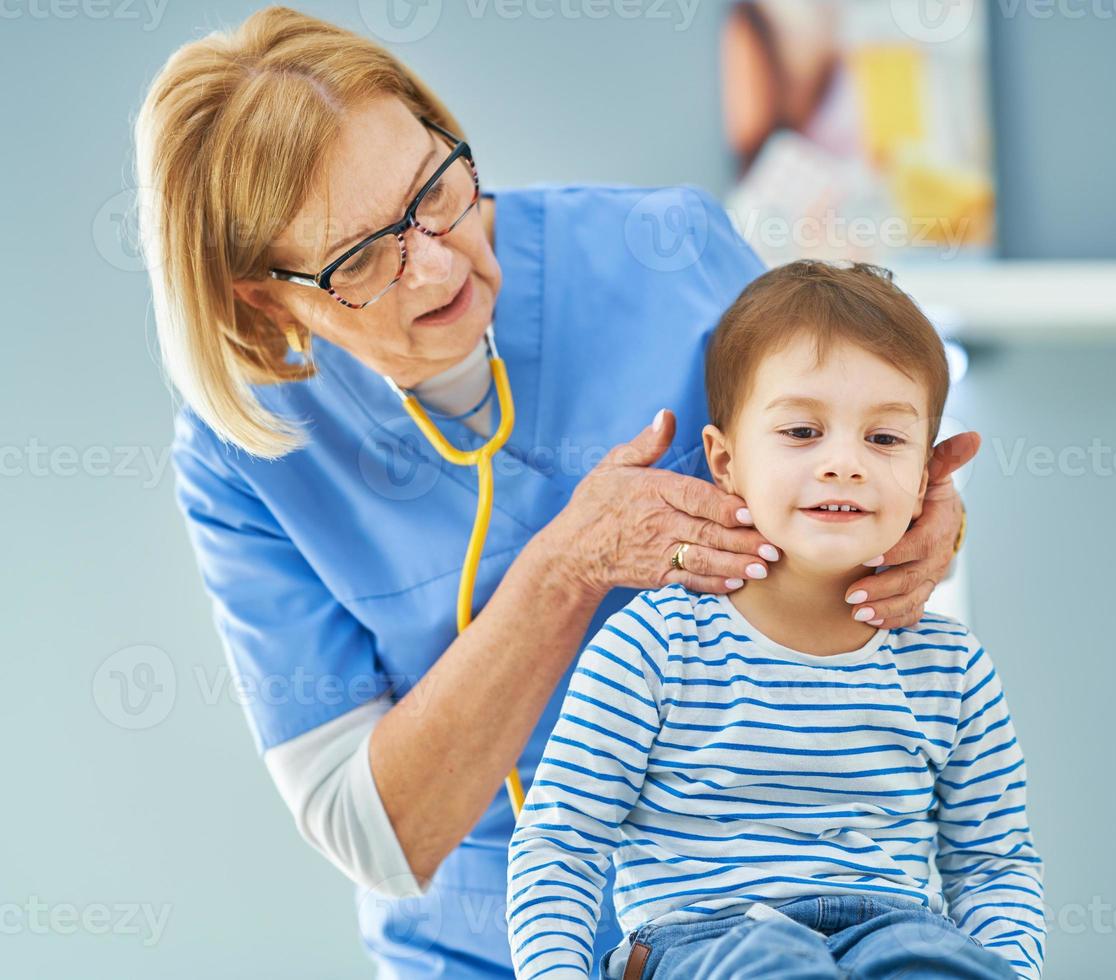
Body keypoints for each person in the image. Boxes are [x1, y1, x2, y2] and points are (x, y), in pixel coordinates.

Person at [138, 7, 978, 977]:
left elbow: (853, 463)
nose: (441, 261)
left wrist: (921, 523)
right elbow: (376, 835)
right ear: (264, 294)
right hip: (479, 946)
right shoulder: (247, 450)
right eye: (362, 258)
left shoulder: (665, 252)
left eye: (435, 191)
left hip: (753, 907)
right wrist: (560, 571)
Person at [506, 262, 1042, 980]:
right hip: (702, 947)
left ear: (922, 482)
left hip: (896, 933)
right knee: (774, 962)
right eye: (801, 430)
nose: (845, 463)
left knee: (931, 961)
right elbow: (560, 842)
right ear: (726, 463)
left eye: (884, 440)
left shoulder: (950, 666)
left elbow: (993, 863)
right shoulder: (653, 647)